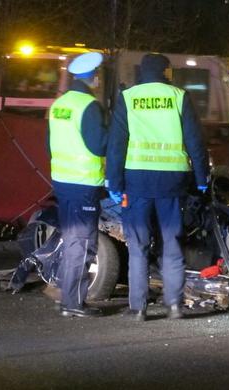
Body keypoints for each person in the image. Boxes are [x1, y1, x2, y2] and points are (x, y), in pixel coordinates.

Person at [106, 53, 209, 321]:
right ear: (165, 71)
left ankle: (138, 309)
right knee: (171, 242)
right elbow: (195, 141)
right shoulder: (178, 96)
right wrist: (201, 178)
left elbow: (117, 144)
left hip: (137, 181)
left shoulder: (128, 98)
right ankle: (174, 305)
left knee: (137, 244)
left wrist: (114, 181)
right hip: (172, 182)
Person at [47, 52, 108, 317]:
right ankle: (74, 303)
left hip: (62, 181)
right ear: (94, 77)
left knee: (71, 240)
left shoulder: (59, 104)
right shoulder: (89, 106)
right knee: (82, 244)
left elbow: (49, 144)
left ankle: (67, 298)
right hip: (84, 183)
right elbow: (99, 144)